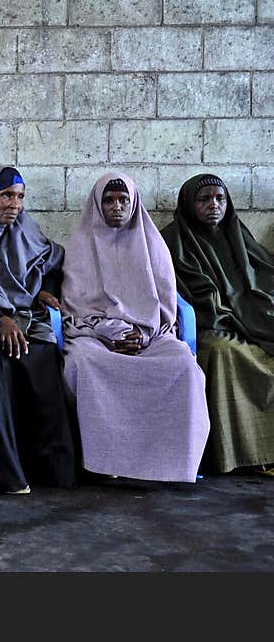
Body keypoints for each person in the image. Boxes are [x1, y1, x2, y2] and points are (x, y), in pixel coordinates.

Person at [61, 173, 210, 483]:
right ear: (98, 205)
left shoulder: (153, 245)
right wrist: (110, 331)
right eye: (109, 200)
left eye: (123, 200)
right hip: (95, 335)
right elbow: (76, 306)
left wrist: (142, 332)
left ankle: (173, 462)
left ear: (133, 203)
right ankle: (105, 464)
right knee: (83, 363)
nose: (116, 206)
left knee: (183, 364)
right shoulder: (80, 246)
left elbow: (167, 305)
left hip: (151, 335)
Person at [0, 166, 77, 494]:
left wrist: (40, 291)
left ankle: (53, 470)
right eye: (6, 196)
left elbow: (51, 261)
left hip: (24, 317)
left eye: (20, 197)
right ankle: (4, 471)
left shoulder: (25, 228)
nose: (15, 205)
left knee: (43, 356)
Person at [161, 174, 274, 475]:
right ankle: (238, 454)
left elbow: (262, 273)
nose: (213, 205)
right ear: (189, 204)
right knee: (223, 352)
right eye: (204, 199)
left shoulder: (236, 233)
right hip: (207, 321)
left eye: (219, 199)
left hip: (246, 317)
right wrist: (220, 309)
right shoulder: (173, 239)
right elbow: (171, 289)